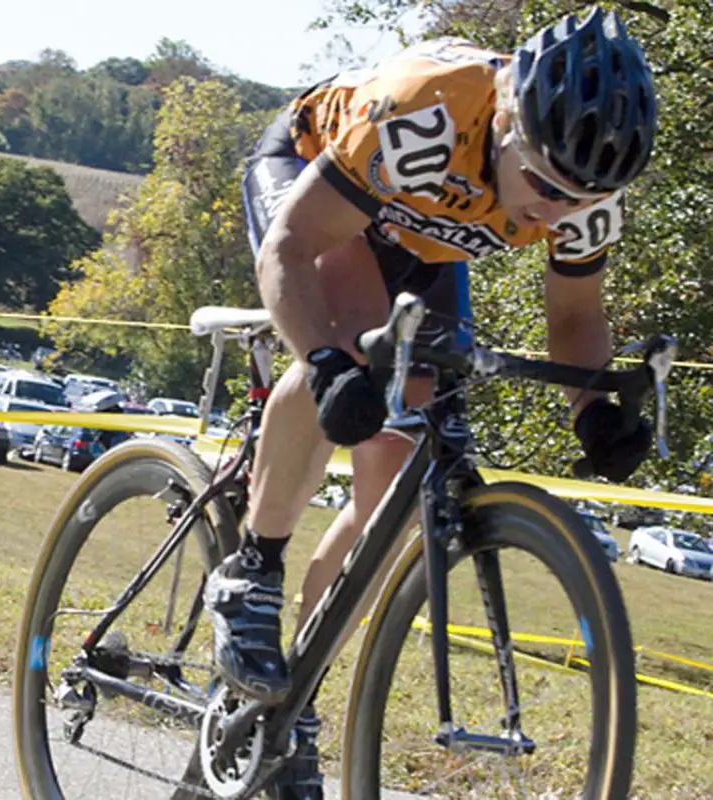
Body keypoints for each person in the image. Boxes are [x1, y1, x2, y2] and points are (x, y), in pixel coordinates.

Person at [205, 8, 657, 798]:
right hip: (323, 185)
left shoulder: (582, 191)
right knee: (349, 368)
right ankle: (254, 567)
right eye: (545, 187)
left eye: (579, 200)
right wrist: (321, 362)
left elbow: (576, 318)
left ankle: (291, 709)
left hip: (429, 238)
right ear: (509, 122)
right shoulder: (426, 108)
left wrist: (594, 409)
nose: (556, 213)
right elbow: (292, 249)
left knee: (397, 497)